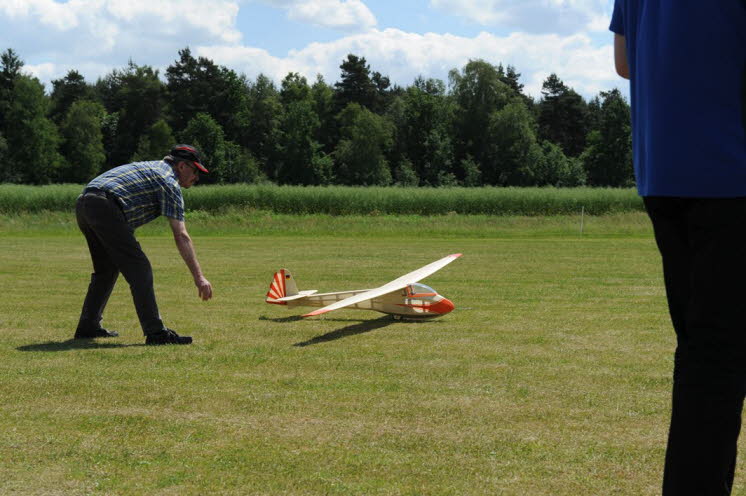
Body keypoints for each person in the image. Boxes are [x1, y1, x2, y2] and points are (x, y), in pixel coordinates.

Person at [610, 1, 746, 494]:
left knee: (704, 357)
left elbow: (626, 62)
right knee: (717, 359)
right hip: (732, 172)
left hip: (664, 171)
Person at [74, 144, 213, 345]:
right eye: (194, 170)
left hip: (85, 203)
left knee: (106, 270)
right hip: (105, 206)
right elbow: (181, 235)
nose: (197, 177)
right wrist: (199, 277)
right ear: (182, 166)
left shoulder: (151, 167)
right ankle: (156, 333)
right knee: (140, 268)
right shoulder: (168, 182)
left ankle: (88, 326)